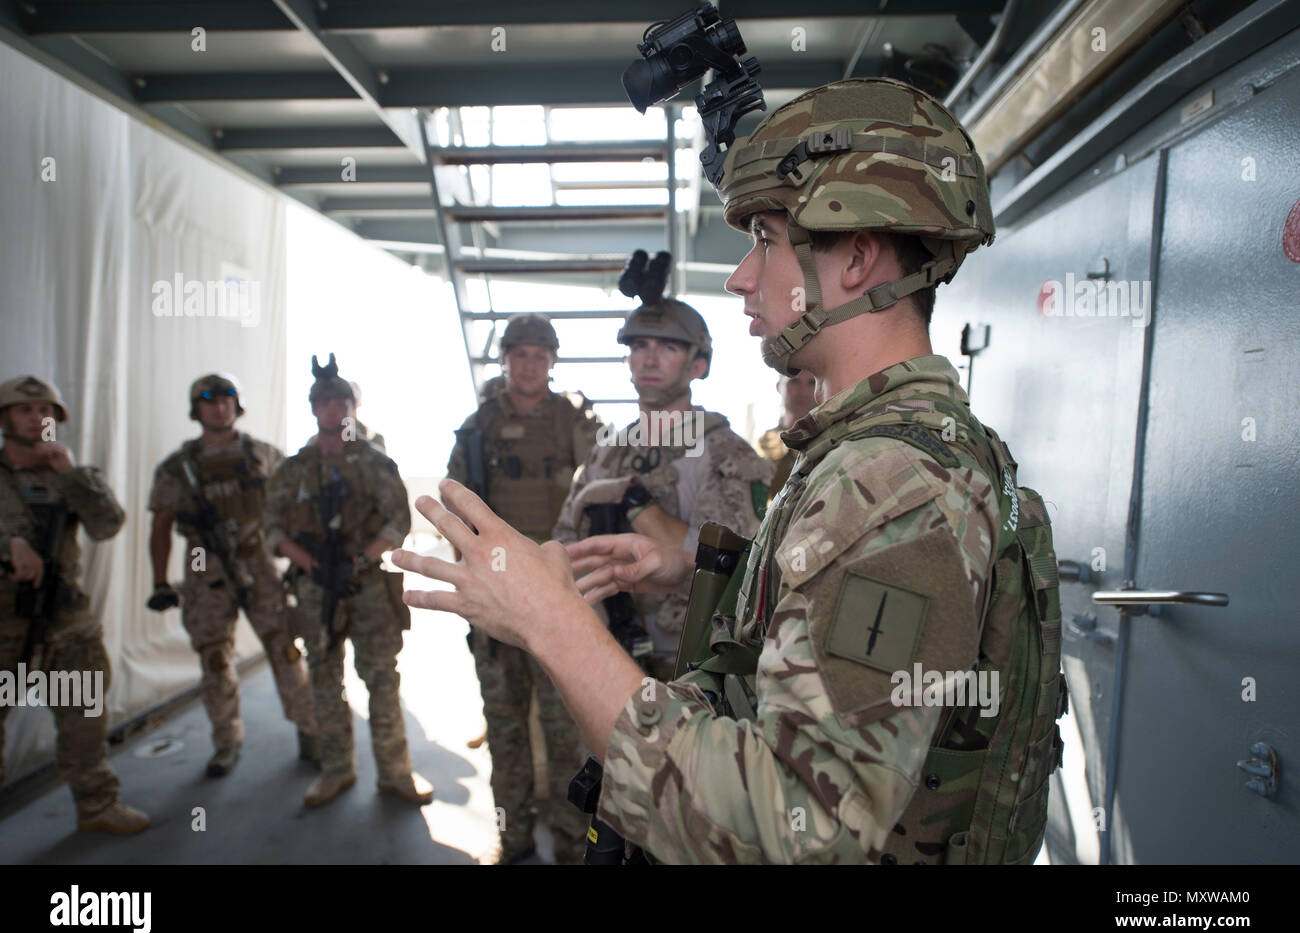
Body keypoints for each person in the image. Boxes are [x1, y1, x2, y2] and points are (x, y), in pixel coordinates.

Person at [393, 77, 1067, 865]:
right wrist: (681, 562)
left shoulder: (890, 483)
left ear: (856, 257)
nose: (742, 276)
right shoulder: (880, 453)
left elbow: (799, 830)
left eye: (767, 241)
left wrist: (551, 621)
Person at [550, 296, 772, 684]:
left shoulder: (726, 454)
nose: (649, 360)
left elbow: (728, 574)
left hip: (688, 660)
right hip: (603, 647)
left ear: (698, 365)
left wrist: (643, 512)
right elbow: (567, 543)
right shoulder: (607, 453)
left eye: (667, 347)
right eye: (639, 347)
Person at [446, 314, 602, 865]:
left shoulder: (576, 423)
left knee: (566, 735)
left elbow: (604, 498)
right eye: (520, 354)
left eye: (540, 354)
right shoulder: (477, 427)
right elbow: (456, 512)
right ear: (506, 359)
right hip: (497, 603)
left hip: (561, 599)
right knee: (506, 730)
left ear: (552, 360)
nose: (530, 363)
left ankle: (567, 843)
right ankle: (513, 842)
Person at [265, 355, 431, 808]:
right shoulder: (294, 468)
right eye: (325, 402)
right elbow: (273, 528)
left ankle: (395, 774)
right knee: (323, 679)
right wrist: (311, 564)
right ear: (313, 408)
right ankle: (336, 770)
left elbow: (398, 522)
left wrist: (358, 559)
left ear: (352, 407)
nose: (334, 410)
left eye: (342, 401)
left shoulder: (376, 463)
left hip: (367, 586)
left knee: (381, 678)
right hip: (315, 586)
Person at [147, 374, 318, 777]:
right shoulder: (177, 467)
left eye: (226, 399)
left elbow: (293, 510)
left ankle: (310, 731)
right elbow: (160, 527)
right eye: (209, 401)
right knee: (214, 657)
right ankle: (226, 741)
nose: (219, 407)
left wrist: (297, 562)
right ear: (197, 409)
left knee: (285, 648)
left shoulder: (264, 455)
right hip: (205, 565)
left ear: (236, 406)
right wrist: (159, 582)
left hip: (257, 559)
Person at [0, 375, 149, 834]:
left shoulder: (71, 475)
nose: (37, 418)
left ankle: (97, 805)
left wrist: (71, 475)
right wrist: (10, 545)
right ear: (5, 418)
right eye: (26, 410)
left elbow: (108, 524)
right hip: (4, 620)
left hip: (64, 616)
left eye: (46, 411)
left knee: (84, 716)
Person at [754, 368, 817, 502]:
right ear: (779, 386)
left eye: (812, 383)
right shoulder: (762, 445)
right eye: (794, 382)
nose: (803, 392)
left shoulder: (830, 440)